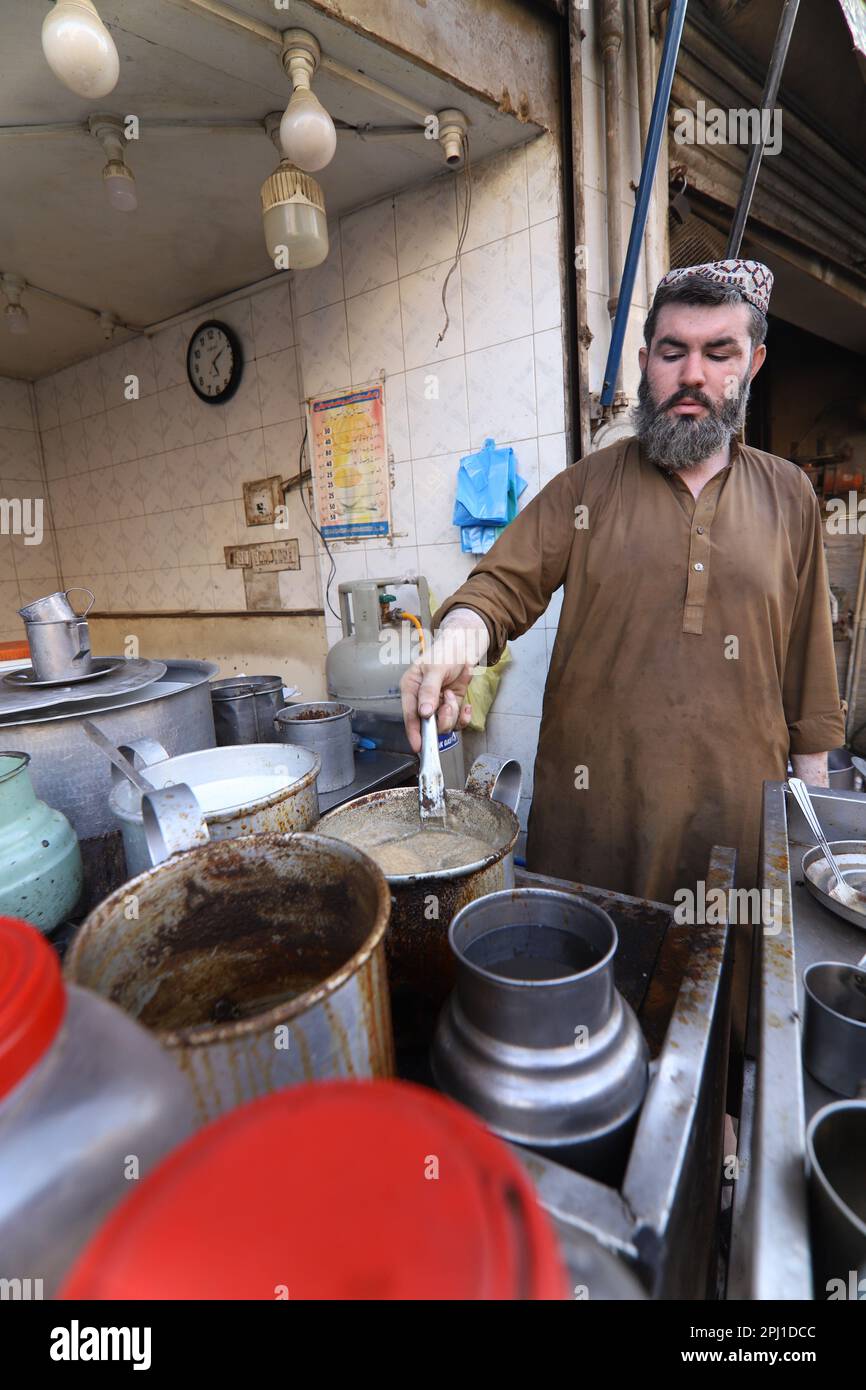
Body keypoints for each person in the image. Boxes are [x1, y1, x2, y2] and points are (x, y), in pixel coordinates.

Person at [400, 260, 845, 905]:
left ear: (752, 364)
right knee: (582, 983)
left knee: (716, 998)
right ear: (645, 362)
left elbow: (810, 676)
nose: (693, 374)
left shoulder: (790, 495)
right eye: (673, 352)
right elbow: (499, 587)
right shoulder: (588, 486)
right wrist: (455, 643)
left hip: (735, 834)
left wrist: (808, 842)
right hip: (593, 824)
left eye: (719, 352)